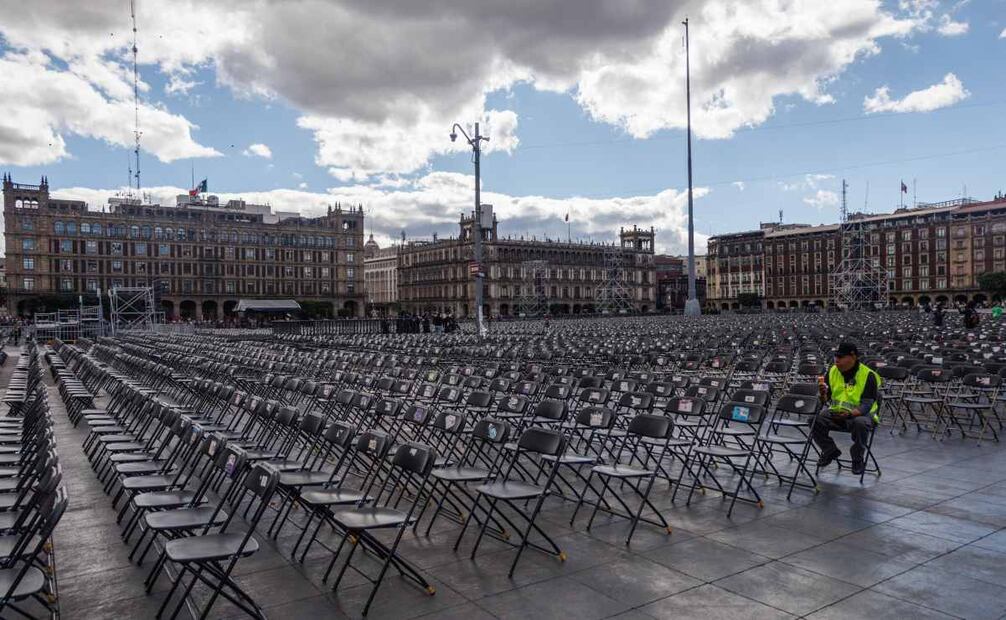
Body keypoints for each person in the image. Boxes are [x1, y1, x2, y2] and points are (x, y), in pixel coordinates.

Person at [813, 341, 882, 475]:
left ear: (853, 357)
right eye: (836, 357)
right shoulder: (833, 371)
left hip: (862, 416)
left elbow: (867, 405)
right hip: (837, 413)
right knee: (815, 420)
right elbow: (825, 400)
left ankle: (857, 458)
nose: (837, 360)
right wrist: (822, 393)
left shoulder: (868, 375)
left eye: (841, 357)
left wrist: (850, 415)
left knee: (860, 423)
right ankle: (829, 450)